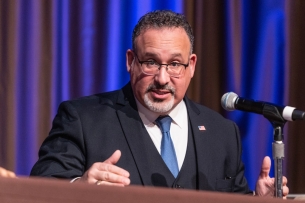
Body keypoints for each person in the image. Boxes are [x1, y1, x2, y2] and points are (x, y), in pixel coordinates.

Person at [30, 10, 288, 197]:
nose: (162, 78)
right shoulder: (82, 119)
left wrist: (256, 201)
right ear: (131, 61)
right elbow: (37, 191)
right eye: (151, 62)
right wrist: (80, 188)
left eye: (175, 64)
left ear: (192, 65)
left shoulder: (222, 133)